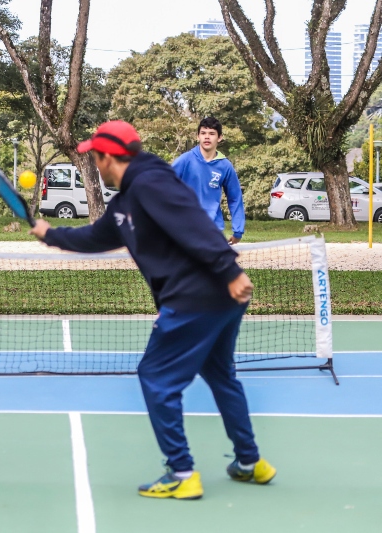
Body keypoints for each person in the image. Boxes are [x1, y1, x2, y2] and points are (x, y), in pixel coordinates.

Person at [29, 120, 275, 500]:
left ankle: (182, 472)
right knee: (221, 375)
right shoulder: (130, 197)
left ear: (109, 157)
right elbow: (98, 236)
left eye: (94, 156)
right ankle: (250, 462)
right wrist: (52, 235)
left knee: (155, 377)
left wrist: (228, 269)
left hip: (198, 294)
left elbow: (192, 220)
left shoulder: (149, 183)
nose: (93, 162)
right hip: (216, 296)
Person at [172, 116, 245, 244]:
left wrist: (238, 230)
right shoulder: (185, 160)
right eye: (203, 133)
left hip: (213, 229)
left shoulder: (225, 166)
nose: (207, 137)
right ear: (197, 136)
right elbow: (163, 187)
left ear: (220, 137)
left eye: (212, 134)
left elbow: (235, 199)